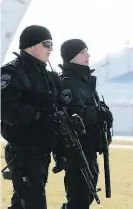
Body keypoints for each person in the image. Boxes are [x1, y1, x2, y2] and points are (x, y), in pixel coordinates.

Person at [1, 25, 60, 209]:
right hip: (23, 151)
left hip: (41, 150)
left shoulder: (46, 75)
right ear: (31, 46)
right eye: (47, 43)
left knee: (22, 204)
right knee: (34, 204)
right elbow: (5, 107)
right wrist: (38, 116)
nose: (50, 49)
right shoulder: (12, 72)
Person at [56, 39, 113, 209]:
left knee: (85, 196)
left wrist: (103, 111)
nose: (88, 55)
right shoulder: (68, 82)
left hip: (89, 147)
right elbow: (73, 114)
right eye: (83, 52)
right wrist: (98, 114)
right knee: (79, 198)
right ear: (72, 56)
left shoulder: (84, 80)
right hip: (76, 149)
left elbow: (90, 106)